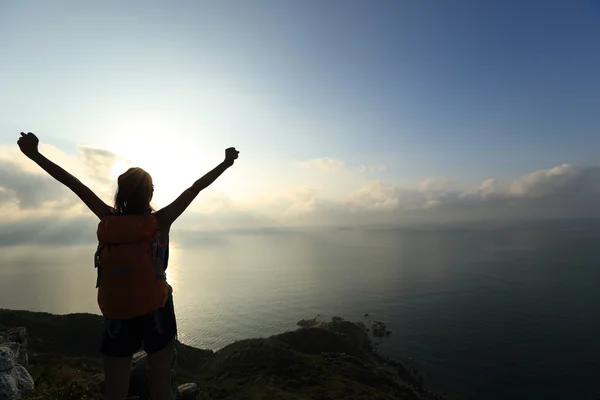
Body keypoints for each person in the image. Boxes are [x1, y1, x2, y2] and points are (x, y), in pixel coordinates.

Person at [17, 131, 239, 400]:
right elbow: (195, 187)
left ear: (120, 194)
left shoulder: (107, 219)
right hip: (157, 310)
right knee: (160, 383)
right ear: (150, 193)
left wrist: (35, 154)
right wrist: (226, 163)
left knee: (115, 390)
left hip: (116, 313)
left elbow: (73, 184)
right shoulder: (161, 221)